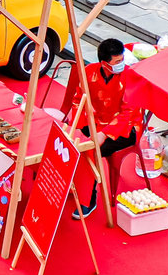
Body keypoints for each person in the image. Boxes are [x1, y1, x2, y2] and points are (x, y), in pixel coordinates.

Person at [60, 37, 140, 219]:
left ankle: (89, 199)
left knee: (90, 150)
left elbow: (129, 114)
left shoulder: (130, 77)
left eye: (122, 59)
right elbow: (78, 101)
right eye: (117, 61)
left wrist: (105, 133)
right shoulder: (89, 72)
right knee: (72, 142)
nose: (121, 64)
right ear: (104, 63)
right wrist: (79, 127)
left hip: (124, 129)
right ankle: (73, 184)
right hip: (95, 122)